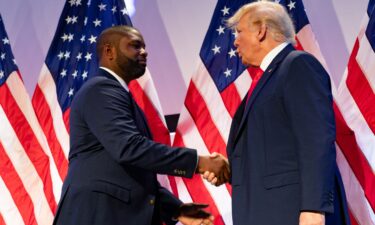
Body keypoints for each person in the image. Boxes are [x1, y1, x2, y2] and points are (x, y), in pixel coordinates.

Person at [53, 25, 229, 225]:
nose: (144, 52)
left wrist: (176, 210)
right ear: (109, 51)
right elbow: (129, 148)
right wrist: (198, 162)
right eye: (135, 46)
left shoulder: (119, 95)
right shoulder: (101, 89)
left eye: (144, 47)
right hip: (97, 214)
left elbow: (132, 171)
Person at [204, 1, 350, 225]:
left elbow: (316, 140)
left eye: (239, 32)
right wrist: (231, 170)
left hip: (296, 214)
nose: (235, 41)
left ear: (261, 30)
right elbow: (276, 157)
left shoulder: (298, 65)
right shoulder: (266, 80)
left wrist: (313, 209)